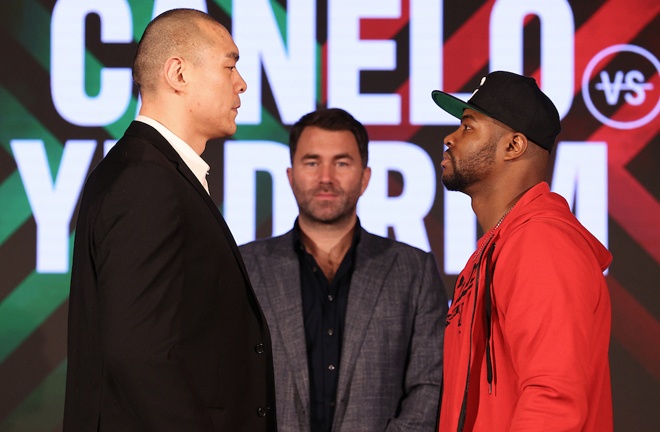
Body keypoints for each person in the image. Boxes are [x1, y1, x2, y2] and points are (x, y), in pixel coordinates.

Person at [63, 9, 276, 432]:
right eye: (230, 65)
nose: (242, 83)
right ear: (178, 73)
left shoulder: (145, 171)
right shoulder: (147, 181)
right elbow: (139, 353)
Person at [239, 108, 448, 432]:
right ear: (291, 175)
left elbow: (431, 384)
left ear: (365, 178)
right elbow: (224, 382)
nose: (326, 177)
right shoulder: (245, 267)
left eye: (341, 162)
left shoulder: (413, 271)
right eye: (312, 162)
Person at [431, 71, 613, 431]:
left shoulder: (541, 243)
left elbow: (554, 399)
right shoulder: (497, 248)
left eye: (468, 126)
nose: (450, 138)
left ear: (513, 146)